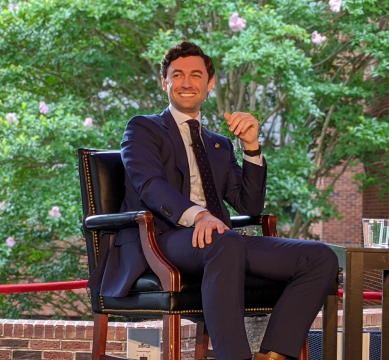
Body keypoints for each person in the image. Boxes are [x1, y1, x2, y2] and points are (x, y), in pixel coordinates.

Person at [91, 42, 338, 360]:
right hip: (161, 239)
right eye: (176, 75)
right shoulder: (143, 128)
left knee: (320, 258)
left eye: (196, 75)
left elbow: (249, 206)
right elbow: (151, 186)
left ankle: (273, 356)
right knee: (225, 241)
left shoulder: (219, 144)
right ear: (164, 82)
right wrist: (199, 216)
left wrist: (250, 147)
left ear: (209, 84)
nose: (186, 82)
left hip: (219, 243)